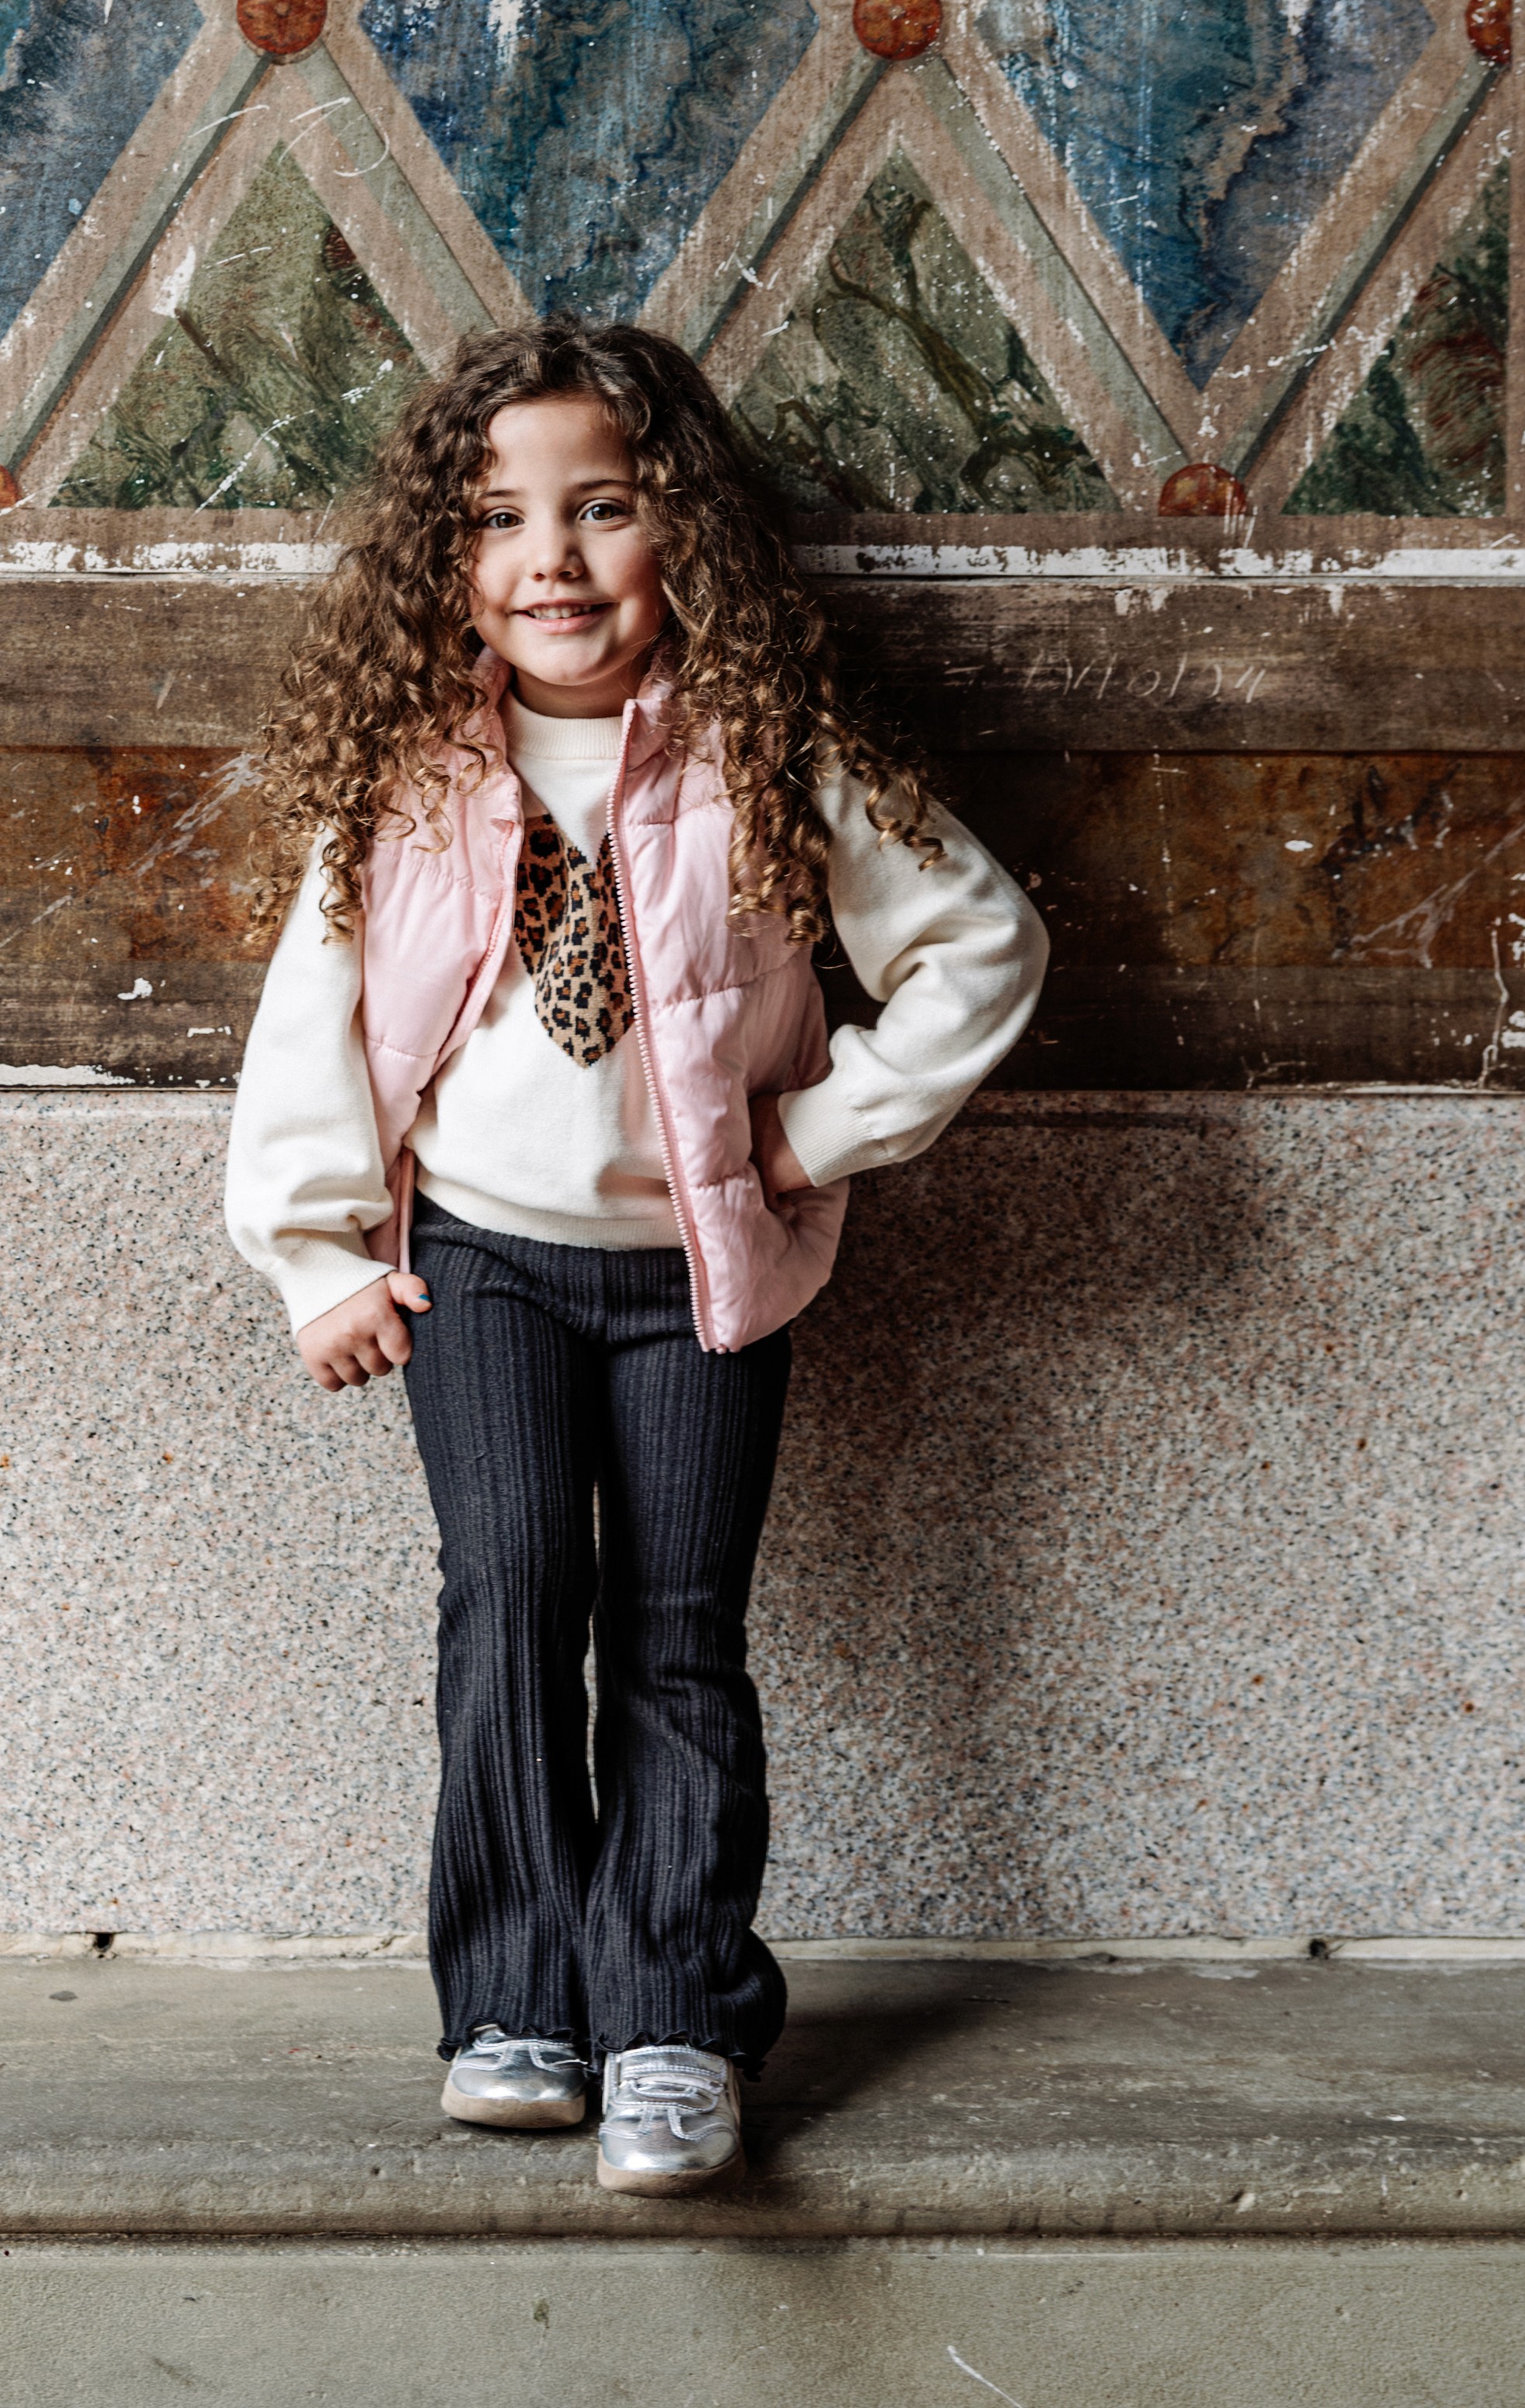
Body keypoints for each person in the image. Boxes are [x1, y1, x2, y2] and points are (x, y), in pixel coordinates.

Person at [224, 319, 1048, 2195]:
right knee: (512, 1594)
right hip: (476, 1268)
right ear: (445, 556)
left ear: (683, 530)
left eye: (602, 509)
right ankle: (516, 2003)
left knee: (678, 1629)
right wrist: (315, 1254)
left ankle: (673, 2016)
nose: (553, 561)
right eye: (497, 519)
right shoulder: (411, 773)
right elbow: (314, 1014)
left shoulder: (771, 758)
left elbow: (982, 945)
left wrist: (811, 1135)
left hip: (700, 1275)